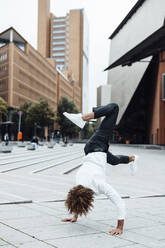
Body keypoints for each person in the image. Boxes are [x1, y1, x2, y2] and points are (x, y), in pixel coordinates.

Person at [62, 103, 138, 235]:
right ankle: (132, 159)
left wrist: (120, 227)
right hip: (94, 151)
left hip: (97, 146)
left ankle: (83, 118)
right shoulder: (79, 183)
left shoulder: (98, 185)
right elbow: (76, 198)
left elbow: (120, 203)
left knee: (114, 108)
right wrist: (74, 215)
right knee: (114, 161)